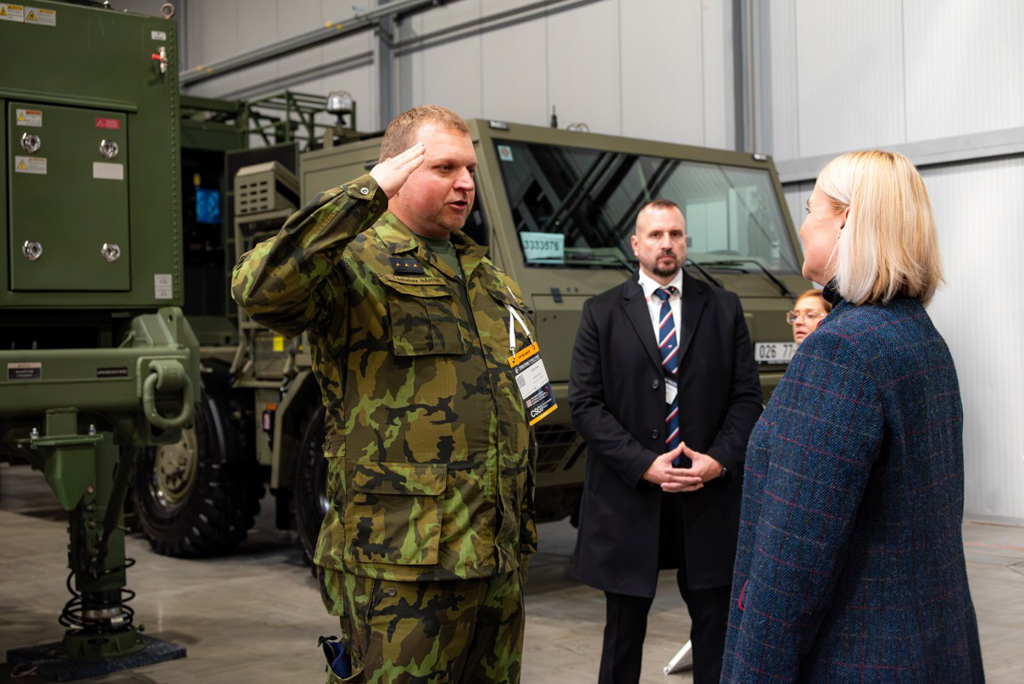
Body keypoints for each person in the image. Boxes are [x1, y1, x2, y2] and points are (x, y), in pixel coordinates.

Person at [232, 106, 539, 684]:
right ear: (398, 170)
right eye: (445, 168)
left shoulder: (488, 278)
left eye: (470, 169)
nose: (465, 184)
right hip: (401, 566)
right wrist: (363, 195)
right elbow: (259, 289)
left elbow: (525, 391)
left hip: (496, 561)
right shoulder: (353, 262)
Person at [721, 151, 984, 682]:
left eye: (810, 209)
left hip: (856, 658)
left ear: (846, 220)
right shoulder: (918, 337)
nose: (802, 226)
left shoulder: (841, 351)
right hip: (929, 648)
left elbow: (792, 563)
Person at [568, 199, 763, 684]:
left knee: (716, 633)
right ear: (635, 244)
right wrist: (643, 464)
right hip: (630, 498)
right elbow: (585, 405)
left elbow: (746, 398)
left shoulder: (723, 308)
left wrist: (719, 460)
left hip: (707, 496)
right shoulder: (601, 312)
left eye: (675, 234)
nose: (667, 243)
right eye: (655, 235)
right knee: (623, 636)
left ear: (685, 242)